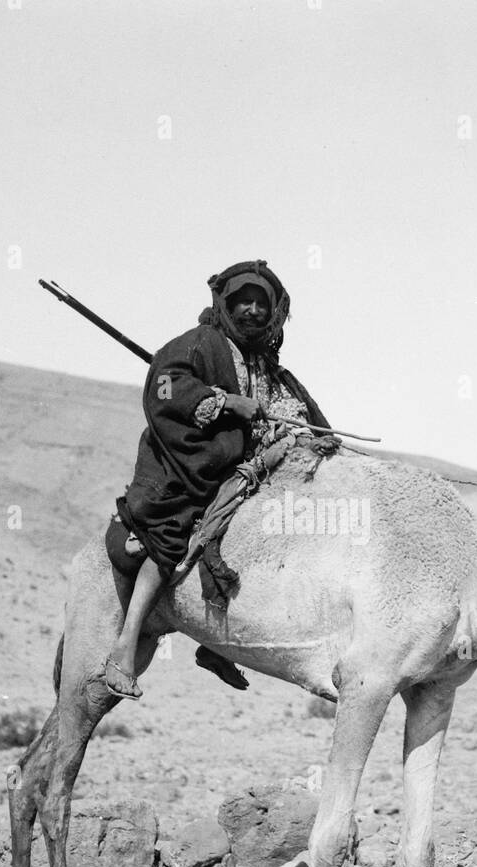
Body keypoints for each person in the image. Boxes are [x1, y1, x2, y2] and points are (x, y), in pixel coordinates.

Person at [104, 260, 330, 699]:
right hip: (187, 467)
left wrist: (305, 433)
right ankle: (124, 647)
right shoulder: (198, 345)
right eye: (241, 300)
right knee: (171, 542)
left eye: (260, 304)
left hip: (245, 472)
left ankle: (219, 644)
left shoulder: (267, 365)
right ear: (224, 304)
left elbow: (295, 410)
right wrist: (224, 402)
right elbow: (166, 388)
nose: (251, 311)